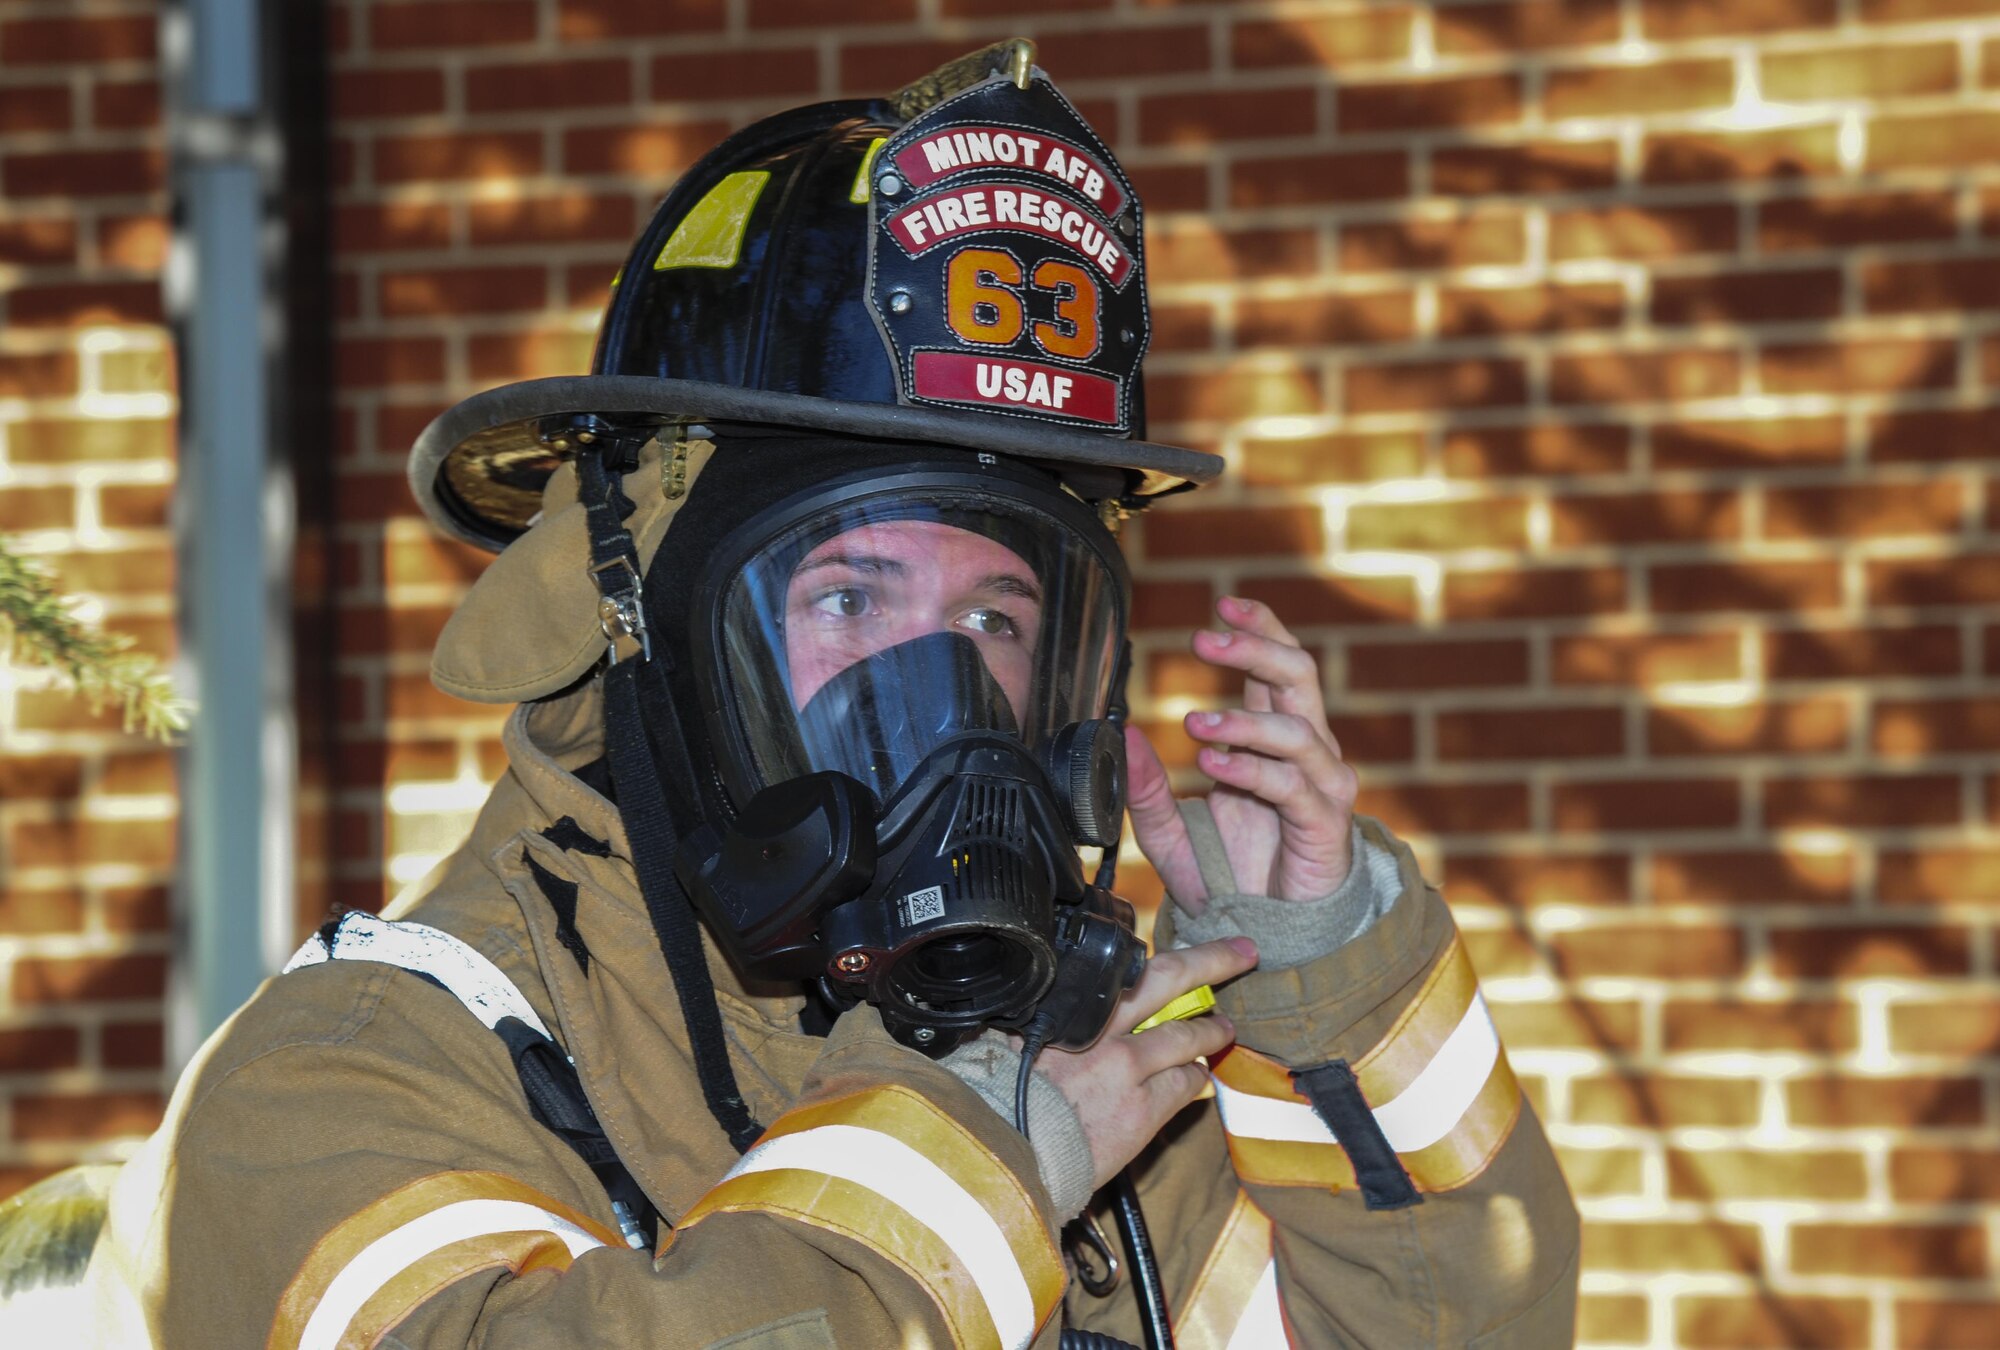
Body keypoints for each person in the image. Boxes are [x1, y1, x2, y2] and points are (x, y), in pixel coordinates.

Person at [11, 43, 1579, 1348]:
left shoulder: (1073, 1068)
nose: (946, 694)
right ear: (645, 623)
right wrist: (965, 1178)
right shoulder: (347, 1074)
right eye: (850, 596)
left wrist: (1320, 984)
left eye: (1001, 611)